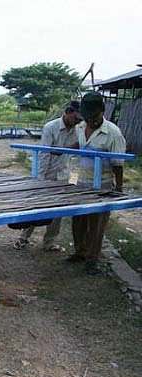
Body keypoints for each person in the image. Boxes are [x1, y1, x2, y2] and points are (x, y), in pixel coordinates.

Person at [68, 92, 126, 274]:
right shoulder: (80, 127)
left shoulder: (113, 133)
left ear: (102, 110)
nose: (90, 120)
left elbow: (118, 164)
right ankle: (80, 252)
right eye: (87, 116)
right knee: (78, 219)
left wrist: (118, 188)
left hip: (102, 184)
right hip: (81, 182)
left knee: (96, 223)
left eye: (93, 116)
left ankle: (92, 260)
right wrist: (61, 150)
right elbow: (80, 146)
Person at [14, 101, 82, 250]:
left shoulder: (78, 130)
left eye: (79, 120)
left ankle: (49, 242)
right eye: (75, 118)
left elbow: (77, 156)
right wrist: (39, 179)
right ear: (68, 112)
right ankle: (23, 237)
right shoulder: (51, 127)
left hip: (63, 174)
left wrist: (73, 179)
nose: (77, 122)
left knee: (59, 210)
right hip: (47, 173)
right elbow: (44, 154)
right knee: (37, 206)